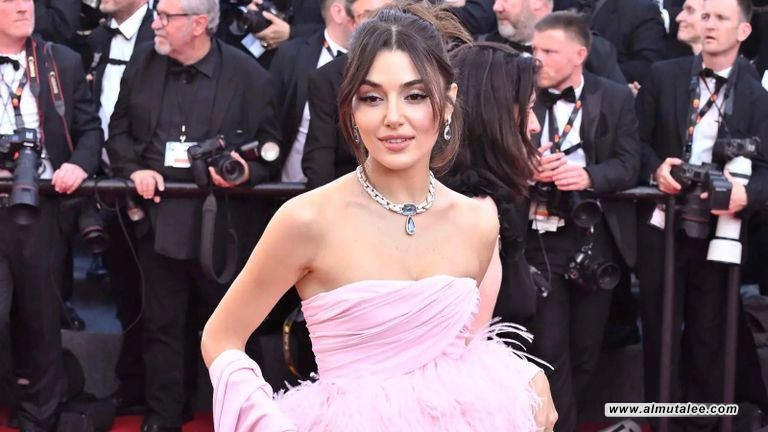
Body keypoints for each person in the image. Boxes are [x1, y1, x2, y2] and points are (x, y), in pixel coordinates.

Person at [201, 3, 558, 431]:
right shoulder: (307, 220)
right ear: (350, 109)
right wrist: (265, 423)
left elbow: (457, 353)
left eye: (414, 95)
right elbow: (221, 336)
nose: (393, 118)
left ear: (447, 102)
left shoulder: (476, 222)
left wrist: (521, 373)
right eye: (372, 98)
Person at [105, 0, 280, 429]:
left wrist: (243, 173)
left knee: (232, 327)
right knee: (160, 324)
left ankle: (244, 417)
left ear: (199, 23)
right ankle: (164, 415)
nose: (156, 23)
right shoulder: (143, 63)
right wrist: (134, 169)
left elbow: (271, 148)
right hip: (157, 218)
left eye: (166, 17)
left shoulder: (248, 75)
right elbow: (118, 133)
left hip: (224, 225)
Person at [636, 0, 768, 429]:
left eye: (721, 18)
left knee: (710, 334)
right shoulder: (664, 75)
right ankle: (661, 420)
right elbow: (636, 143)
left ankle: (704, 423)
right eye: (706, 16)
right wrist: (656, 169)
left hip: (721, 231)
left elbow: (766, 171)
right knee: (658, 330)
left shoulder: (758, 98)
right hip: (663, 224)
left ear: (744, 31)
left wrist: (747, 194)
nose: (709, 25)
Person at [526, 11, 640, 431]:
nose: (537, 59)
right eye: (534, 50)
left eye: (549, 51)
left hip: (595, 237)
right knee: (550, 349)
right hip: (538, 237)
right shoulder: (521, 94)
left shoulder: (614, 96)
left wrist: (588, 176)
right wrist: (525, 167)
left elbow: (629, 163)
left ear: (579, 54)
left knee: (587, 349)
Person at [0, 0, 103, 430]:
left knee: (42, 317)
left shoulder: (61, 60)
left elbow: (90, 129)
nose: (24, 6)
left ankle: (39, 417)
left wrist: (79, 164)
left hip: (42, 204)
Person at [442, 42, 541, 330]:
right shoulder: (473, 209)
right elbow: (468, 339)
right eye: (529, 109)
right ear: (494, 115)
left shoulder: (486, 199)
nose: (535, 125)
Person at [489, 0, 627, 84]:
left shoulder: (593, 51)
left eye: (505, 0)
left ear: (537, 1)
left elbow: (617, 110)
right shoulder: (487, 49)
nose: (496, 7)